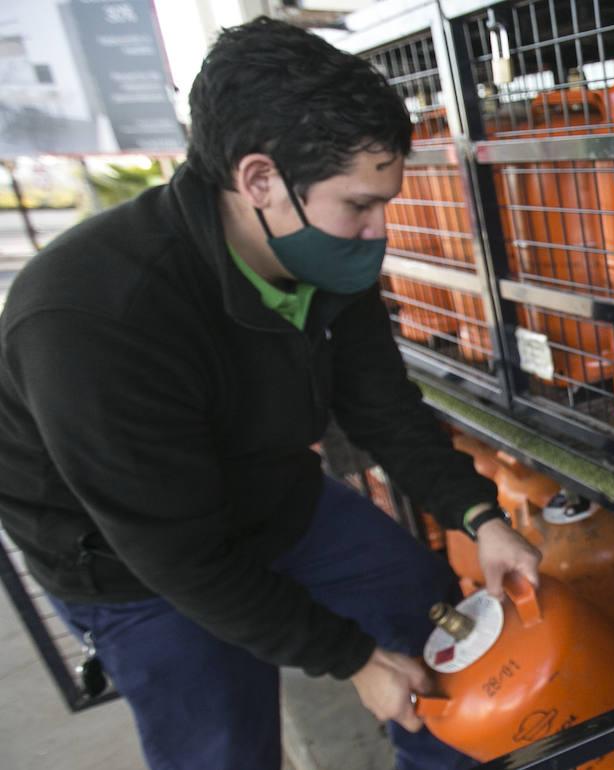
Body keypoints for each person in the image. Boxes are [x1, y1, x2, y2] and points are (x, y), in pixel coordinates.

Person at [0, 16, 540, 770]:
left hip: (271, 496)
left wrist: (478, 515)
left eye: (386, 201)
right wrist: (351, 660)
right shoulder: (91, 316)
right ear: (259, 181)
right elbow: (178, 554)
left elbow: (383, 408)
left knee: (418, 601)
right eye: (358, 205)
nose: (377, 231)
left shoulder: (324, 259)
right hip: (133, 560)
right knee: (220, 742)